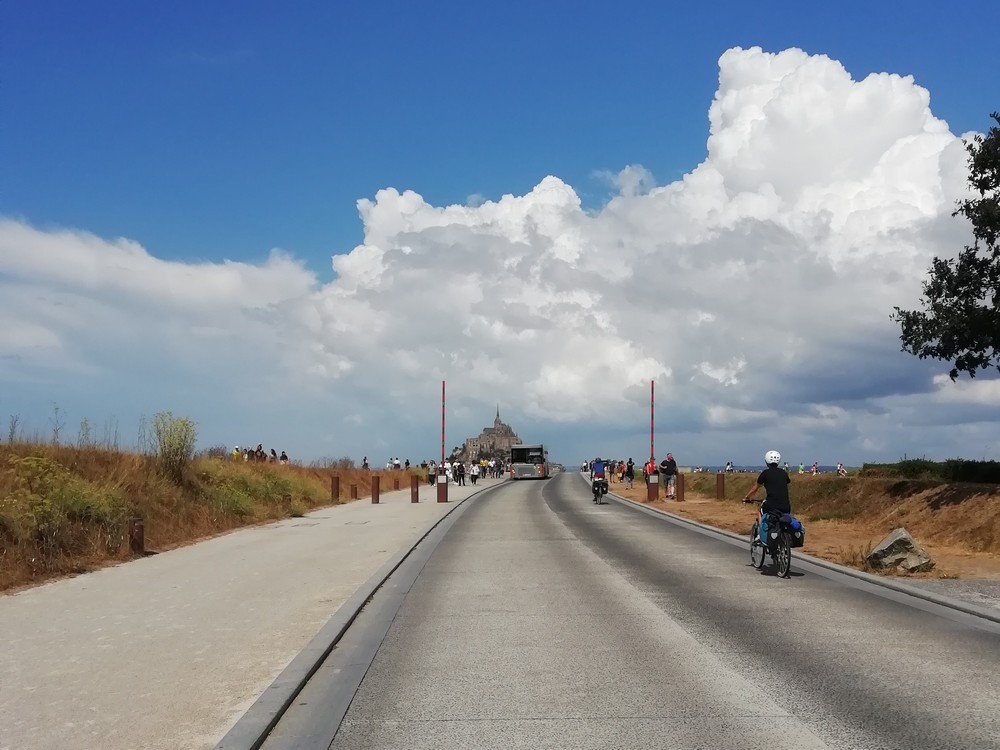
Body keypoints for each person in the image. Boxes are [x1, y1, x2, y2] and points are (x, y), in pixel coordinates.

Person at [742, 450, 792, 543]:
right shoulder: (783, 473)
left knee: (760, 511)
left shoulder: (765, 473)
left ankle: (760, 535)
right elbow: (786, 482)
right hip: (786, 505)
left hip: (771, 503)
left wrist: (747, 497)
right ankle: (785, 538)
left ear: (766, 461)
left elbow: (755, 488)